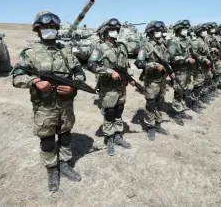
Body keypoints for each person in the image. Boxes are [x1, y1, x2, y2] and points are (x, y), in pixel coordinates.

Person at [11, 11, 85, 192]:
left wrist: (74, 86)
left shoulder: (66, 51)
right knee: (48, 140)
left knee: (66, 135)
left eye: (53, 27)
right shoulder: (29, 53)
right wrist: (35, 81)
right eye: (46, 27)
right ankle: (52, 169)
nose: (50, 30)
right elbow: (17, 77)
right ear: (38, 29)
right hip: (44, 106)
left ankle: (65, 163)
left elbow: (79, 72)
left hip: (66, 104)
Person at [87, 18, 132, 156]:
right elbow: (91, 65)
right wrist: (108, 72)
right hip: (108, 87)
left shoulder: (121, 46)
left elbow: (126, 64)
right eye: (112, 30)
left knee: (119, 110)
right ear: (105, 32)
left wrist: (128, 76)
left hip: (121, 86)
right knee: (110, 112)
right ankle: (109, 138)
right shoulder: (99, 47)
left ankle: (118, 135)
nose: (115, 32)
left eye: (116, 30)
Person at [135, 20, 172, 141]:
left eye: (160, 31)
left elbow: (168, 60)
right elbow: (139, 63)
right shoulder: (145, 45)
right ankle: (150, 126)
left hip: (162, 79)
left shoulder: (163, 44)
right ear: (150, 32)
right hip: (151, 80)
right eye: (157, 31)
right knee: (151, 103)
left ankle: (158, 123)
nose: (159, 33)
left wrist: (169, 71)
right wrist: (155, 66)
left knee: (160, 101)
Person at [167, 19, 195, 123]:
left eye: (186, 29)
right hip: (179, 70)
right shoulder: (173, 41)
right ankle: (176, 112)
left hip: (187, 70)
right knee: (179, 92)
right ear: (178, 29)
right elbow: (171, 57)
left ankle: (181, 109)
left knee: (185, 91)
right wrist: (186, 59)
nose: (185, 30)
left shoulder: (186, 40)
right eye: (183, 29)